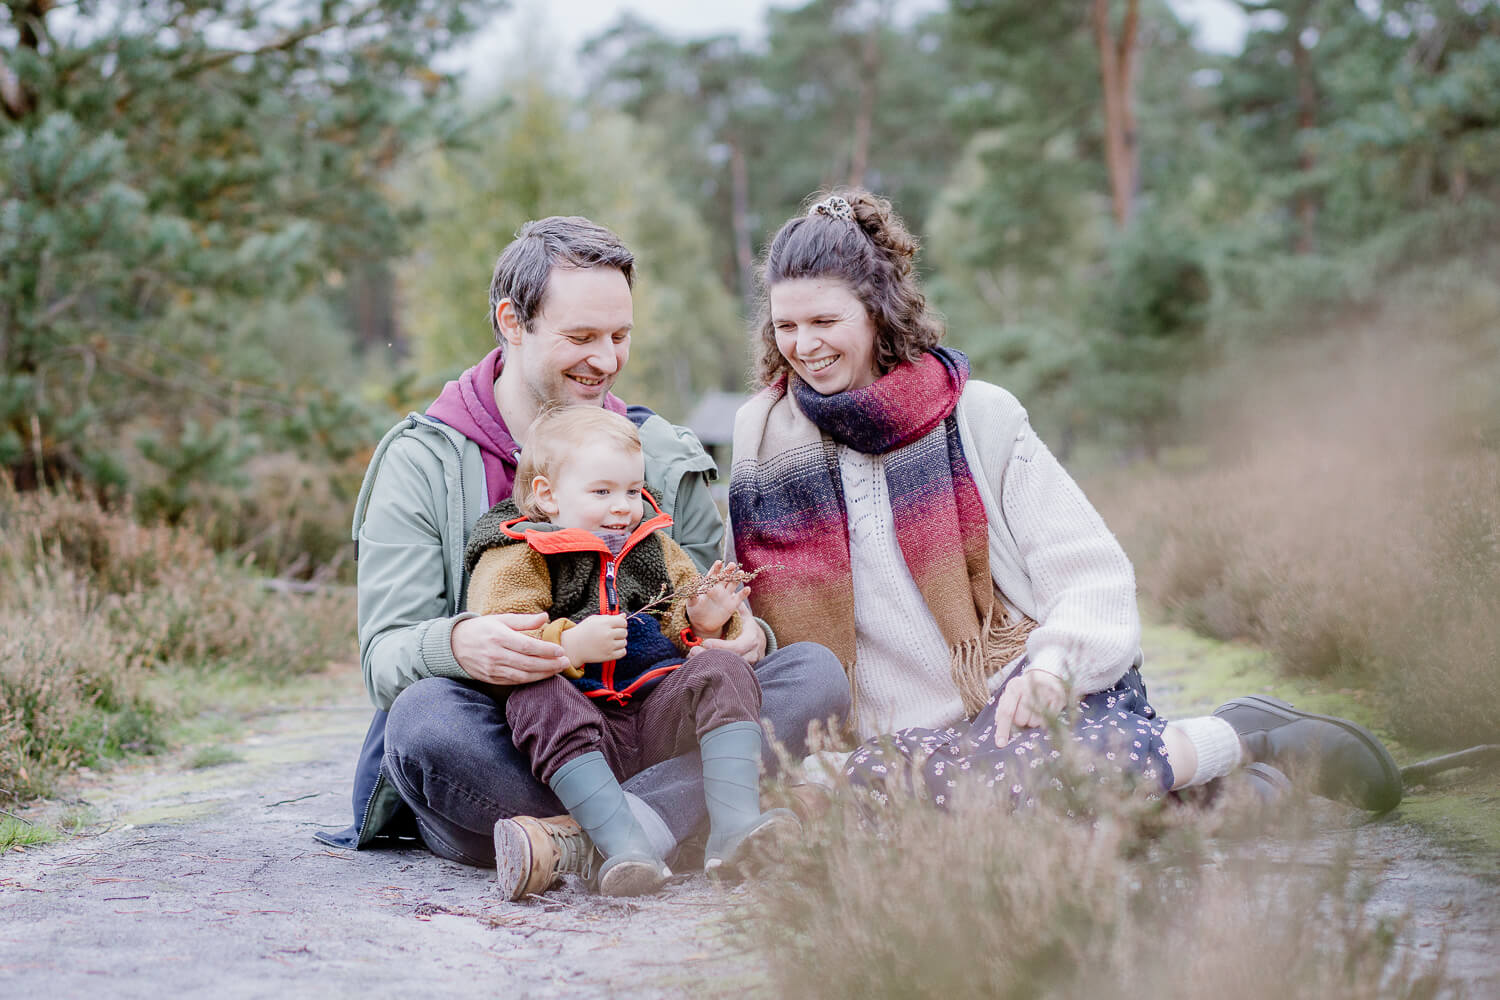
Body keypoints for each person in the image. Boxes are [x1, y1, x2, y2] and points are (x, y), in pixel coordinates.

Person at [728, 190, 1403, 814]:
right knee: (927, 809)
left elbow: (1090, 573)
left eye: (824, 320)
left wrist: (1052, 670)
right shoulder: (762, 442)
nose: (804, 346)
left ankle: (1240, 735)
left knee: (1012, 782)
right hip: (898, 743)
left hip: (1022, 698)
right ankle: (1224, 784)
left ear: (876, 309)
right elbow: (754, 614)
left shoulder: (979, 418)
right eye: (786, 326)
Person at [316, 216, 849, 899]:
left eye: (619, 337)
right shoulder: (422, 459)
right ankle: (688, 816)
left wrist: (740, 633)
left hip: (649, 716)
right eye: (580, 338)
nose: (605, 359)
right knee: (422, 721)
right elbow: (384, 659)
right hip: (517, 747)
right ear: (512, 322)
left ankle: (588, 840)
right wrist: (459, 644)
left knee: (814, 674)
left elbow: (704, 611)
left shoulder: (656, 451)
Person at [463, 406, 798, 896]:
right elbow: (503, 634)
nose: (623, 507)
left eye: (631, 490)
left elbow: (682, 608)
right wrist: (570, 644)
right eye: (602, 492)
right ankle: (626, 845)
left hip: (657, 716)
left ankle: (733, 829)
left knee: (724, 667)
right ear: (548, 495)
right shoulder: (518, 552)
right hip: (581, 732)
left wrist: (704, 621)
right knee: (533, 696)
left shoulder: (652, 545)